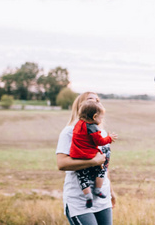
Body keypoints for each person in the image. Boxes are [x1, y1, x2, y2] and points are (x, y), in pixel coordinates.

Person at [56, 92, 116, 225]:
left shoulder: (101, 134)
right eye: (90, 100)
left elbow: (104, 166)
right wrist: (93, 161)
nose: (96, 103)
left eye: (98, 100)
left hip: (102, 199)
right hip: (79, 202)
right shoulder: (69, 132)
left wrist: (111, 192)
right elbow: (61, 163)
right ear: (80, 106)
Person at [70, 100, 118, 208]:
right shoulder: (93, 127)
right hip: (89, 155)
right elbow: (99, 141)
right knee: (101, 169)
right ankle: (97, 189)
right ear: (95, 116)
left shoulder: (78, 124)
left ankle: (88, 196)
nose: (101, 120)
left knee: (82, 176)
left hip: (77, 156)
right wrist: (109, 138)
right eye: (101, 117)